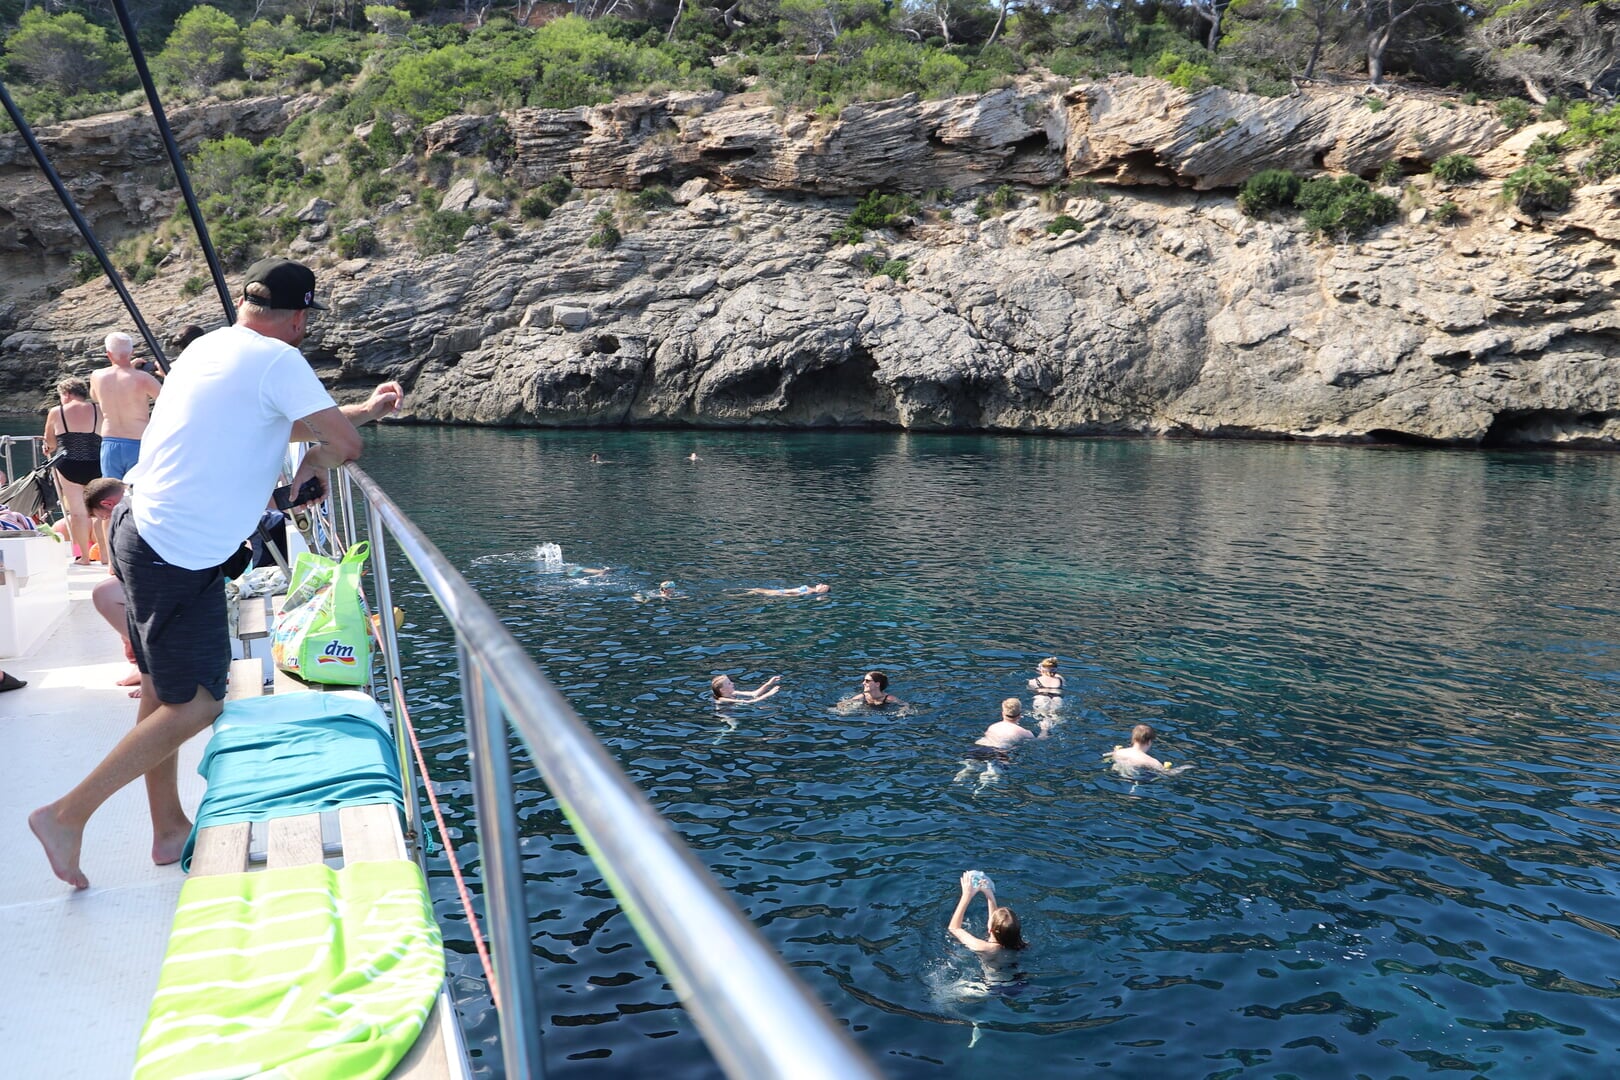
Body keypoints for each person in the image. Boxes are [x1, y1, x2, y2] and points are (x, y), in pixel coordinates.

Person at [29, 257, 403, 891]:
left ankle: (167, 827)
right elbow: (342, 444)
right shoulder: (280, 359)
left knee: (159, 688)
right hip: (178, 551)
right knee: (199, 704)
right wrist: (319, 455)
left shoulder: (209, 347)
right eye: (306, 319)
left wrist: (360, 409)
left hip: (137, 526)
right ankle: (66, 815)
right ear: (297, 317)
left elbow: (271, 424)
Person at [82, 479, 142, 696]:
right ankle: (143, 664)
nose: (107, 520)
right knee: (119, 597)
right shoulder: (138, 500)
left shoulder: (131, 512)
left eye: (104, 517)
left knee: (106, 595)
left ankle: (156, 669)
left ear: (108, 504)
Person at [42, 377, 102, 565]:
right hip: (96, 463)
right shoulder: (97, 409)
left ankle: (84, 557)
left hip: (68, 465)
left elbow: (50, 443)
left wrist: (48, 448)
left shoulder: (56, 412)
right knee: (101, 512)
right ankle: (106, 556)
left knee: (78, 513)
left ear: (66, 394)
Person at [90, 331, 162, 481]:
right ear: (132, 352)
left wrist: (128, 367)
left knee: (111, 492)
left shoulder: (97, 376)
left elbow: (95, 397)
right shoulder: (142, 378)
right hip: (138, 441)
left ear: (108, 354)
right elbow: (170, 398)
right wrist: (163, 374)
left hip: (110, 441)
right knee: (140, 490)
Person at [948, 870, 1026, 956]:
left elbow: (954, 929)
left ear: (990, 929)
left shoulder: (984, 948)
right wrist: (989, 894)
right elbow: (996, 925)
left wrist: (966, 895)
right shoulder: (1021, 945)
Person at [711, 673, 781, 705]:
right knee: (733, 726)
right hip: (725, 715)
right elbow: (750, 702)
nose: (732, 683)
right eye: (729, 683)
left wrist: (769, 683)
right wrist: (769, 694)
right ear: (722, 690)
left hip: (733, 707)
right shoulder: (722, 699)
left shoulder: (734, 693)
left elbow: (754, 694)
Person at [743, 583, 830, 597]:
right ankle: (732, 593)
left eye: (823, 585)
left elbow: (796, 594)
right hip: (780, 591)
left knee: (755, 590)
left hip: (780, 592)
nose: (821, 584)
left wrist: (782, 594)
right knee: (755, 590)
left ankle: (732, 595)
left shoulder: (810, 591)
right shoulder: (811, 588)